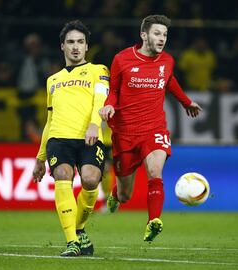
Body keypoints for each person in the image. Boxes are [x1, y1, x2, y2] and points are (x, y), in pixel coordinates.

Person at [99, 15, 202, 242]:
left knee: (156, 172)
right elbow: (114, 90)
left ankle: (153, 220)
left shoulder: (167, 61)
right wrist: (108, 106)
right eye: (157, 33)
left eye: (165, 34)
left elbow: (170, 80)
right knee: (126, 194)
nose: (162, 38)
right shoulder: (122, 59)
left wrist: (186, 102)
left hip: (154, 128)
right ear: (143, 35)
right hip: (125, 133)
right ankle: (116, 194)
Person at [32, 20, 109, 257]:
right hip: (59, 138)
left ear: (87, 47)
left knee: (90, 180)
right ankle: (72, 242)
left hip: (89, 135)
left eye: (80, 42)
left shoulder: (99, 70)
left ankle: (79, 228)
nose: (75, 47)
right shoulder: (52, 80)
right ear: (62, 47)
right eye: (70, 42)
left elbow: (100, 99)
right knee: (63, 176)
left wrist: (95, 125)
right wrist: (40, 158)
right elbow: (49, 120)